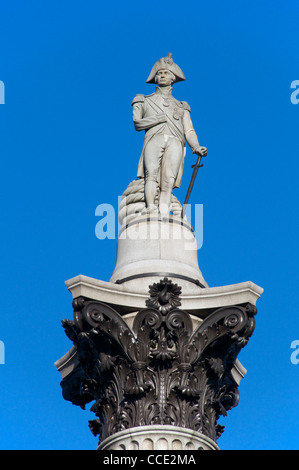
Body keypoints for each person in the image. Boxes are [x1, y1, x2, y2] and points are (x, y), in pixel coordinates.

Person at [132, 53, 207, 218]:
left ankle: (164, 212)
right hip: (154, 138)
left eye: (166, 73)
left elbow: (189, 130)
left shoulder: (181, 106)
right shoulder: (143, 100)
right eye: (159, 73)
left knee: (168, 179)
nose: (162, 76)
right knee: (151, 173)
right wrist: (156, 119)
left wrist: (195, 146)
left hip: (175, 141)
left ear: (173, 78)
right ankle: (151, 208)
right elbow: (138, 123)